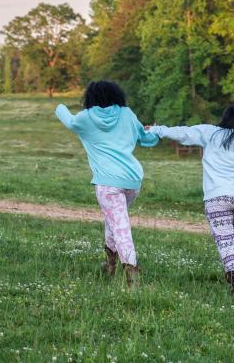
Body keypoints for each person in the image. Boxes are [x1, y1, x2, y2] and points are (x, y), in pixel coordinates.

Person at [148, 97, 234, 298]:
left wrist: (156, 129)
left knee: (224, 238)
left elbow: (183, 133)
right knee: (232, 237)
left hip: (217, 197)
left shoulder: (211, 133)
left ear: (225, 118)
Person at [55, 81, 160, 286]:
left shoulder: (85, 118)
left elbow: (69, 121)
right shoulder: (127, 114)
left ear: (90, 97)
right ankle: (109, 263)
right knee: (113, 220)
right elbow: (146, 139)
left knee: (120, 225)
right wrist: (155, 131)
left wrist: (59, 107)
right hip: (132, 179)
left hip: (107, 183)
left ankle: (131, 270)